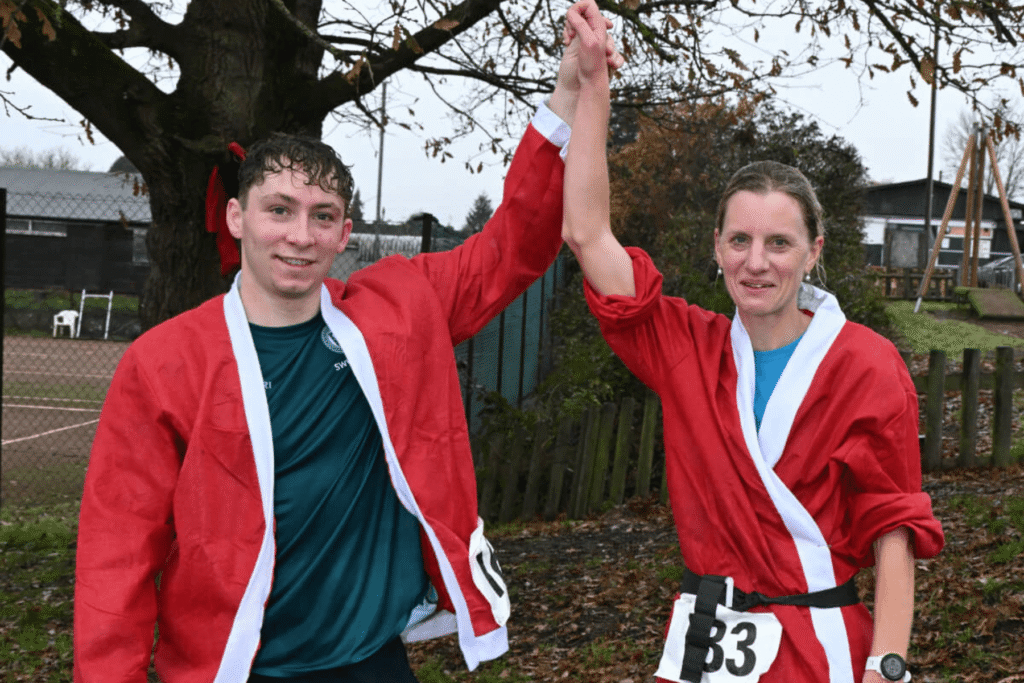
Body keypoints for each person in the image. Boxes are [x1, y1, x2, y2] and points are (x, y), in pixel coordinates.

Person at [73, 10, 623, 681]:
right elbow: (117, 553)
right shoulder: (163, 363)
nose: (300, 235)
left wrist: (567, 95)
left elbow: (516, 245)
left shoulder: (397, 309)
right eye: (279, 210)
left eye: (322, 216)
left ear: (344, 233)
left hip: (371, 661)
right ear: (237, 217)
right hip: (236, 668)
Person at [560, 5, 945, 683]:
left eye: (779, 243)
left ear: (813, 252)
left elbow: (894, 529)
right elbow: (588, 235)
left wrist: (888, 667)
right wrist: (592, 88)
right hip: (704, 645)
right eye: (740, 240)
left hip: (818, 651)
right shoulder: (687, 347)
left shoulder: (866, 365)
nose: (756, 262)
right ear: (717, 248)